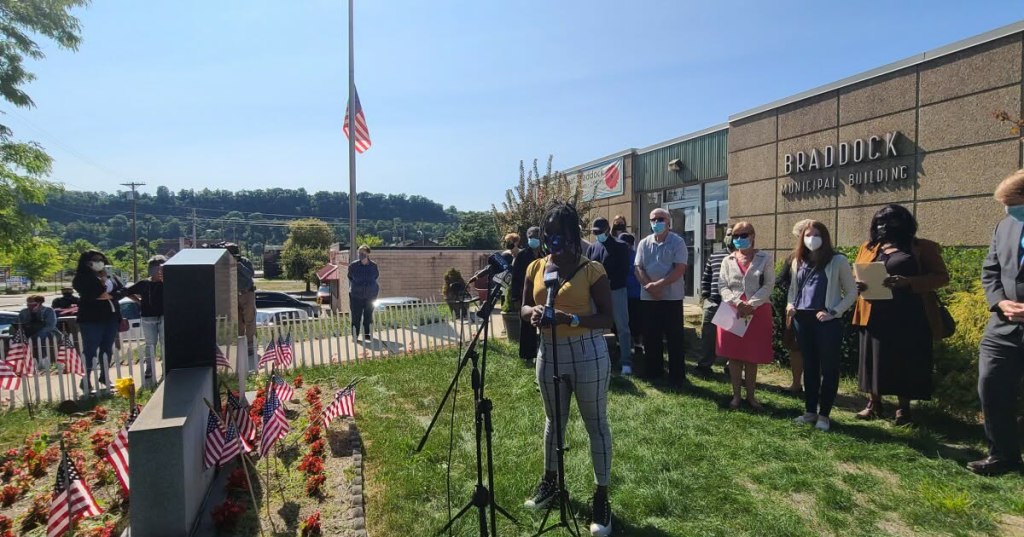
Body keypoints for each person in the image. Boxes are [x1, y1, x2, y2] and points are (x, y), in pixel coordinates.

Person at [521, 202, 614, 536]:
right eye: (547, 233)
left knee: (596, 424)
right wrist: (531, 313)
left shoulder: (592, 270)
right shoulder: (535, 267)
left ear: (571, 233)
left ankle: (601, 497)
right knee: (553, 421)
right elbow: (523, 307)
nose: (551, 239)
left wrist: (570, 318)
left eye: (558, 233)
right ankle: (551, 481)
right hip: (549, 353)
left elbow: (607, 317)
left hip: (588, 352)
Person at [852, 204, 949, 425]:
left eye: (889, 221)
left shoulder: (921, 247)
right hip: (873, 312)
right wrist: (858, 284)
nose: (883, 226)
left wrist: (909, 282)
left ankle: (903, 409)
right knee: (873, 359)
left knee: (904, 360)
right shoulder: (869, 248)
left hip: (909, 315)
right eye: (879, 222)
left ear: (904, 223)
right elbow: (855, 271)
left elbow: (941, 277)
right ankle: (874, 403)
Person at [970, 169, 1024, 476]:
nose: (1008, 209)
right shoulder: (1005, 226)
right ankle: (1002, 455)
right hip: (1003, 327)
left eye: (1012, 202)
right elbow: (990, 271)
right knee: (991, 386)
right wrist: (1000, 301)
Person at [786, 222, 858, 432]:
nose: (812, 238)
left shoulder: (838, 261)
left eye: (817, 234)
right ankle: (810, 411)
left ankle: (824, 415)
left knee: (829, 368)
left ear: (825, 237)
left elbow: (851, 292)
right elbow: (793, 289)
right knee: (809, 367)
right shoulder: (797, 261)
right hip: (802, 320)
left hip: (826, 322)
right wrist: (791, 305)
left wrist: (834, 312)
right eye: (808, 234)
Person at [716, 221, 775, 410]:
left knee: (751, 357)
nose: (739, 239)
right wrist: (737, 302)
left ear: (753, 235)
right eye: (736, 236)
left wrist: (752, 304)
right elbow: (722, 285)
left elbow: (769, 284)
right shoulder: (728, 260)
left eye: (744, 235)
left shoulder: (765, 258)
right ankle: (736, 396)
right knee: (734, 357)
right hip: (733, 311)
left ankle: (751, 396)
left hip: (757, 312)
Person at [635, 208, 691, 388]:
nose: (656, 222)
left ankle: (676, 375)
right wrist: (650, 288)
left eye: (660, 219)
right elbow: (638, 268)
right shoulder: (644, 243)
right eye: (653, 219)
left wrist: (658, 286)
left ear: (668, 222)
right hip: (649, 298)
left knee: (674, 338)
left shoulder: (678, 242)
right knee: (651, 337)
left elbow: (679, 269)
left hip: (671, 298)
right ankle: (653, 371)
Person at [72, 249, 126, 393]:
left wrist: (110, 291)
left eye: (101, 259)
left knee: (107, 349)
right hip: (91, 319)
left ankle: (104, 376)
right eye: (95, 260)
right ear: (87, 263)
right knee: (90, 350)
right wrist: (104, 285)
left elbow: (121, 292)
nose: (99, 262)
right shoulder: (82, 278)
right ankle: (86, 380)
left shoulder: (111, 276)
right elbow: (98, 294)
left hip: (111, 317)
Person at [587, 217, 633, 375]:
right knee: (594, 326)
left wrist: (608, 282)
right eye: (594, 233)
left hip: (616, 291)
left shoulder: (620, 246)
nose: (597, 235)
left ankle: (626, 361)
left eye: (599, 232)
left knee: (622, 327)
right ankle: (596, 358)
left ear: (607, 230)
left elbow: (624, 270)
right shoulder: (593, 248)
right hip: (596, 293)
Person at [777, 219, 814, 394]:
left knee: (816, 349)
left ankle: (813, 384)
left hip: (819, 311)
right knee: (796, 348)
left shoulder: (829, 258)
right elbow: (781, 281)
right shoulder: (793, 257)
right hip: (795, 310)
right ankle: (796, 383)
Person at [697, 227, 733, 378]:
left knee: (731, 336)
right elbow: (706, 277)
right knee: (708, 335)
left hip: (732, 305)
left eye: (734, 235)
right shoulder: (715, 256)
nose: (731, 237)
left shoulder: (744, 258)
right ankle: (704, 365)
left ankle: (731, 366)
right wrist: (705, 296)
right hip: (713, 302)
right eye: (729, 234)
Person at [125, 255, 166, 386]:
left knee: (165, 343)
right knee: (150, 344)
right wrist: (139, 301)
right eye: (156, 269)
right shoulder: (144, 284)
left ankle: (166, 368)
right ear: (151, 270)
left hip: (165, 316)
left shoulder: (169, 282)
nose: (159, 272)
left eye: (162, 268)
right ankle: (149, 368)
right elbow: (127, 291)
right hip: (148, 317)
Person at [511, 226, 543, 364]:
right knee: (527, 326)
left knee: (545, 324)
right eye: (530, 237)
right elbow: (515, 278)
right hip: (526, 295)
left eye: (535, 236)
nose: (532, 239)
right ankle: (528, 356)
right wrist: (515, 297)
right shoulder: (522, 256)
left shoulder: (546, 254)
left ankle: (544, 353)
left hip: (542, 294)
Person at [226, 243, 256, 361]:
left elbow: (251, 274)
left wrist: (239, 266)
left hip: (246, 293)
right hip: (233, 295)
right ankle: (240, 343)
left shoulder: (245, 261)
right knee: (237, 321)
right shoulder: (225, 263)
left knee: (249, 319)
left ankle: (250, 345)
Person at [348, 245, 380, 341]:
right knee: (355, 316)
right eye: (359, 253)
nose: (361, 255)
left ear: (368, 253)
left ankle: (367, 334)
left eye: (363, 253)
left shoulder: (373, 266)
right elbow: (350, 277)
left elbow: (375, 277)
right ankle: (355, 335)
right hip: (356, 296)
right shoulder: (353, 266)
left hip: (370, 296)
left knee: (368, 316)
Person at [619, 233, 643, 359]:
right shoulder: (617, 256)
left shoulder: (635, 257)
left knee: (635, 321)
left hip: (634, 294)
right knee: (623, 321)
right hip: (621, 294)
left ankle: (638, 344)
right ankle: (621, 344)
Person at [18, 295, 57, 365]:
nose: (30, 306)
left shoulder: (48, 311)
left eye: (33, 305)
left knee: (40, 335)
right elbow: (20, 324)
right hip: (29, 331)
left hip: (46, 332)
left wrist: (37, 313)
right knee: (18, 337)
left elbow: (50, 326)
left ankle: (43, 359)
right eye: (28, 304)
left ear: (39, 303)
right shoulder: (24, 312)